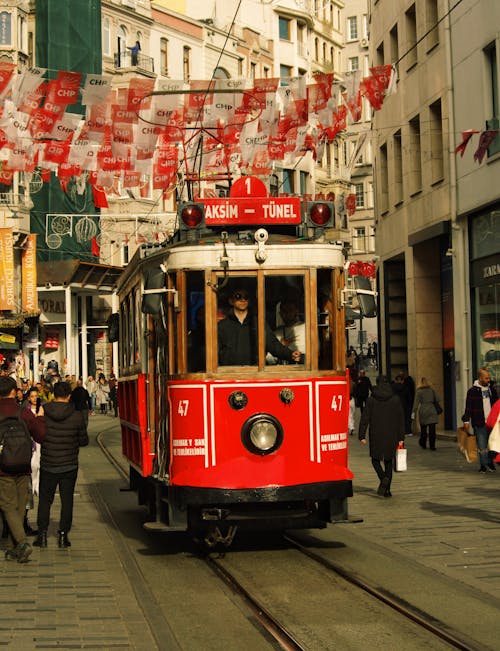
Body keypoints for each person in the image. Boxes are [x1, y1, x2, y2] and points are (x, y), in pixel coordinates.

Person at [34, 381, 89, 549]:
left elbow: (38, 437)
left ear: (53, 394)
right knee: (67, 501)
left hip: (49, 463)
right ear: (69, 396)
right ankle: (63, 536)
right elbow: (83, 441)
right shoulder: (77, 415)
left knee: (45, 500)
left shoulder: (44, 411)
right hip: (69, 465)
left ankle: (42, 535)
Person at [0, 376, 45, 562]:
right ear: (13, 392)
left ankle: (19, 543)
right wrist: (40, 418)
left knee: (7, 505)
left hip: (2, 468)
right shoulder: (23, 413)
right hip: (23, 466)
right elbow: (41, 435)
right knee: (18, 506)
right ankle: (17, 546)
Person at [218, 288, 303, 366]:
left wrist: (290, 354)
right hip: (229, 374)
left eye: (246, 297)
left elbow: (272, 344)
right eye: (238, 296)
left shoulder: (258, 323)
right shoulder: (222, 326)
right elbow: (214, 352)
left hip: (255, 373)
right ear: (231, 301)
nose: (242, 299)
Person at [358, 375, 405, 497]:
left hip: (376, 433)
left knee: (375, 459)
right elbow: (400, 419)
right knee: (389, 461)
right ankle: (387, 489)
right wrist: (401, 438)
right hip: (392, 434)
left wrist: (361, 435)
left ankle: (383, 478)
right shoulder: (395, 399)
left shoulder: (371, 399)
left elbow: (365, 417)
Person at [462, 368, 498, 473]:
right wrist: (466, 420)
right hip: (479, 421)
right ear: (480, 378)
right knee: (482, 445)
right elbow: (468, 407)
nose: (488, 380)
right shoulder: (472, 391)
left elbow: (496, 404)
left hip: (491, 422)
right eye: (486, 378)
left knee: (491, 444)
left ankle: (490, 463)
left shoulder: (492, 389)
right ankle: (483, 465)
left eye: (489, 378)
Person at [267, 297, 306, 364]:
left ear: (296, 311)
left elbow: (314, 353)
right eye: (284, 311)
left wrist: (299, 357)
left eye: (290, 310)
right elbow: (268, 358)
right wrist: (280, 347)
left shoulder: (306, 328)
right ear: (280, 313)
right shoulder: (276, 333)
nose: (287, 313)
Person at [412, 377, 440, 450]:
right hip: (432, 409)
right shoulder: (432, 390)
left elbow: (416, 403)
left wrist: (413, 412)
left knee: (423, 429)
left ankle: (423, 443)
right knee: (432, 430)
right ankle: (432, 446)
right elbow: (437, 399)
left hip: (423, 410)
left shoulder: (419, 392)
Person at [392, 373, 413, 437]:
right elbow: (409, 398)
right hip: (405, 405)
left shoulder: (392, 388)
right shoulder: (406, 387)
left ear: (395, 380)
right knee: (406, 419)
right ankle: (407, 431)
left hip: (395, 405)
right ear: (402, 381)